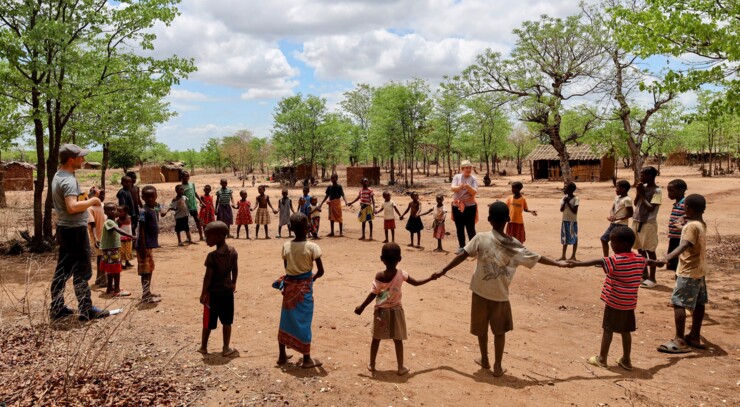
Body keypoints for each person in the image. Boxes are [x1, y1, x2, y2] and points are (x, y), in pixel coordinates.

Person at [434, 202, 566, 377]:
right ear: (508, 220)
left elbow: (462, 255)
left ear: (489, 220)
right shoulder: (514, 245)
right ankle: (497, 365)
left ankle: (484, 359)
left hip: (480, 291)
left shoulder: (481, 238)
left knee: (481, 329)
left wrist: (443, 270)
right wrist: (558, 264)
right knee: (499, 331)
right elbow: (537, 257)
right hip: (500, 295)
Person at [566, 227, 646, 370]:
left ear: (625, 244)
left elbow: (598, 261)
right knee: (625, 331)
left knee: (608, 329)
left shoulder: (615, 260)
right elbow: (650, 262)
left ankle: (602, 359)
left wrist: (577, 263)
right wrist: (660, 262)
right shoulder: (640, 259)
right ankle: (626, 360)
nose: (611, 245)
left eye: (614, 243)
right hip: (629, 304)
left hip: (614, 302)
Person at [354, 243, 437, 375]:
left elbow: (373, 294)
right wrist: (430, 278)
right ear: (400, 259)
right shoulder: (402, 274)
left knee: (376, 338)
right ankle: (400, 367)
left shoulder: (380, 276)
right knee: (398, 340)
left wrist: (362, 307)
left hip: (381, 312)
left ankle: (372, 364)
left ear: (382, 258)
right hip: (397, 311)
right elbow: (416, 283)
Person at [50, 144, 109, 321]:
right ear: (71, 160)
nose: (83, 160)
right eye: (80, 157)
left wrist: (85, 196)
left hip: (64, 228)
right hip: (74, 230)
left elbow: (72, 201)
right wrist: (93, 200)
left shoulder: (59, 175)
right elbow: (72, 206)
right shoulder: (68, 180)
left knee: (63, 270)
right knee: (82, 271)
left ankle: (57, 308)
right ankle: (86, 309)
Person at [654, 194, 708, 354]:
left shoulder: (691, 227)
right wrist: (685, 218)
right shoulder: (700, 224)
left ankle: (679, 339)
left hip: (687, 271)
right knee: (699, 303)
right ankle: (694, 335)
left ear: (687, 208)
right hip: (700, 270)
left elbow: (684, 244)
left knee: (678, 303)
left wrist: (666, 258)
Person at [276, 213, 325, 369]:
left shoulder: (286, 246)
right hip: (304, 289)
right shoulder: (312, 247)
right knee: (304, 321)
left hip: (289, 286)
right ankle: (306, 359)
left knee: (286, 319)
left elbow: (287, 267)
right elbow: (321, 271)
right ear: (307, 227)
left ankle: (282, 355)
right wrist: (312, 278)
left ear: (290, 228)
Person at [198, 221, 239, 357]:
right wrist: (234, 283)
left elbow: (207, 278)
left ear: (220, 236)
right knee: (227, 321)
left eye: (209, 236)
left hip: (213, 294)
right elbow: (235, 269)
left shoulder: (212, 256)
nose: (206, 240)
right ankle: (226, 348)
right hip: (227, 292)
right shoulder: (233, 252)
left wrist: (203, 293)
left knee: (208, 321)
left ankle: (203, 347)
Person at [631, 166, 662, 288]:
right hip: (637, 221)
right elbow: (635, 203)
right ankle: (644, 274)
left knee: (650, 250)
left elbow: (651, 208)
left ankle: (652, 278)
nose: (641, 177)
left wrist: (642, 195)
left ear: (650, 176)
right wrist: (639, 193)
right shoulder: (642, 188)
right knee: (640, 249)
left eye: (643, 175)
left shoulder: (657, 191)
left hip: (648, 223)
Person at [99, 202, 135, 297]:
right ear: (105, 211)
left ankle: (110, 288)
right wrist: (131, 236)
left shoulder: (112, 221)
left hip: (109, 249)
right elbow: (118, 230)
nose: (112, 211)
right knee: (116, 269)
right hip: (112, 249)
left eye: (114, 209)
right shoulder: (109, 222)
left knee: (111, 269)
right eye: (109, 209)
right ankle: (117, 290)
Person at [137, 185, 162, 303]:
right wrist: (142, 246)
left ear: (156, 196)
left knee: (150, 269)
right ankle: (145, 294)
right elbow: (141, 229)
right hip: (144, 246)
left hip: (148, 246)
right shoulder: (143, 211)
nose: (150, 199)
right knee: (145, 271)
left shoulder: (153, 208)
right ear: (143, 198)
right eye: (147, 197)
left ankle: (147, 292)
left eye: (152, 196)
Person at [450, 160, 479, 254]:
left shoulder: (473, 179)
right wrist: (459, 187)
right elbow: (452, 188)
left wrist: (468, 187)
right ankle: (462, 246)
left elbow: (474, 191)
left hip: (470, 207)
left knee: (470, 228)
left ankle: (472, 248)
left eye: (470, 168)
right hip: (457, 206)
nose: (468, 169)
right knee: (459, 227)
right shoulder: (457, 177)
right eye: (466, 168)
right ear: (462, 169)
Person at [600, 180, 633, 257]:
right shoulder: (617, 197)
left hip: (621, 225)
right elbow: (614, 207)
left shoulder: (627, 199)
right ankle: (606, 259)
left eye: (617, 188)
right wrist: (611, 216)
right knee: (604, 239)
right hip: (614, 223)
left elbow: (630, 213)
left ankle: (619, 259)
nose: (616, 190)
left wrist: (618, 218)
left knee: (619, 244)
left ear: (623, 189)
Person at [666, 179, 688, 273]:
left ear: (681, 190)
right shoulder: (677, 204)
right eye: (668, 191)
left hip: (680, 237)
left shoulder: (685, 203)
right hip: (674, 236)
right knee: (673, 261)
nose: (669, 194)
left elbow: (691, 214)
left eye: (671, 191)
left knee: (679, 261)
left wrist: (682, 218)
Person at [87, 187, 106, 286]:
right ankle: (103, 279)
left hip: (104, 236)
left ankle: (99, 278)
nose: (102, 197)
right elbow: (92, 225)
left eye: (103, 195)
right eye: (100, 195)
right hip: (98, 237)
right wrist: (96, 239)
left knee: (100, 257)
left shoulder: (102, 206)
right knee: (103, 257)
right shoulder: (90, 208)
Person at [181, 171, 205, 241]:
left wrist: (201, 201)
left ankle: (201, 236)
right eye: (186, 176)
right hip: (185, 207)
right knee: (186, 221)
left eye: (188, 176)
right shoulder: (181, 187)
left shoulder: (192, 184)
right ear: (182, 177)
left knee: (197, 220)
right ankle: (188, 237)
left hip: (193, 205)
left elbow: (195, 193)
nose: (187, 177)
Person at [559, 182, 579, 261]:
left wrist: (568, 202)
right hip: (565, 220)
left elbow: (574, 211)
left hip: (572, 221)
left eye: (565, 188)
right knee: (564, 237)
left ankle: (573, 256)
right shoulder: (564, 197)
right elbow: (561, 210)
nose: (564, 189)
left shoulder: (576, 199)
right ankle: (563, 255)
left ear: (571, 190)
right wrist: (564, 202)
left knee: (574, 237)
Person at [117, 205, 134, 269]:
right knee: (121, 251)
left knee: (128, 250)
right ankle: (120, 263)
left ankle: (127, 261)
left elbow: (130, 227)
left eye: (120, 211)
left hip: (129, 238)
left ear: (126, 212)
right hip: (121, 238)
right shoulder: (118, 220)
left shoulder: (129, 217)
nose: (118, 213)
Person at [125, 171, 142, 235]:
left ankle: (133, 235)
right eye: (133, 178)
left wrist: (142, 207)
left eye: (135, 178)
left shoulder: (136, 188)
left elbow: (138, 199)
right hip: (129, 210)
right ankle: (132, 236)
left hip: (136, 209)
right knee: (129, 224)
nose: (134, 180)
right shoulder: (126, 190)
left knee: (135, 224)